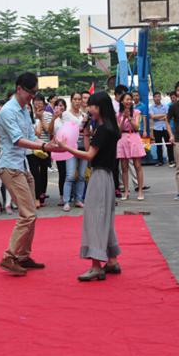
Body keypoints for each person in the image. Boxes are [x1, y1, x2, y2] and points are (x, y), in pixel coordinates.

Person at [0, 72, 61, 276]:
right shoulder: (8, 111)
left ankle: (23, 256)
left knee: (31, 213)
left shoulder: (25, 109)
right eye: (31, 92)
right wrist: (43, 146)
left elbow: (31, 135)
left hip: (22, 164)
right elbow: (17, 140)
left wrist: (49, 143)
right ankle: (9, 257)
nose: (33, 97)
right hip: (11, 166)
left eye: (35, 92)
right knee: (28, 214)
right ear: (19, 89)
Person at [57, 91, 122, 281]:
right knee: (105, 218)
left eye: (91, 106)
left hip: (99, 176)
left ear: (99, 107)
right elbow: (91, 150)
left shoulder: (103, 130)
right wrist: (85, 132)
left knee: (94, 219)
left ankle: (96, 266)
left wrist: (65, 147)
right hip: (106, 176)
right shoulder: (109, 127)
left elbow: (88, 155)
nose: (89, 109)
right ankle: (112, 260)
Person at [61, 92, 88, 211]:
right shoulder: (66, 114)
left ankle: (79, 199)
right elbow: (68, 129)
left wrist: (86, 124)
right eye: (75, 99)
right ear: (71, 100)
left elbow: (88, 131)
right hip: (71, 147)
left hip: (83, 146)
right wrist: (82, 124)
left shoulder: (84, 114)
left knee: (82, 176)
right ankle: (66, 201)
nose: (77, 101)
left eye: (79, 99)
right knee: (70, 175)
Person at [116, 92, 145, 200]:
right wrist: (123, 118)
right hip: (123, 138)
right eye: (126, 99)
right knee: (124, 167)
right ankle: (126, 191)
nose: (128, 101)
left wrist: (129, 117)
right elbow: (118, 130)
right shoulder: (117, 114)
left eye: (130, 99)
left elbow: (137, 127)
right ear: (122, 101)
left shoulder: (136, 112)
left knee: (138, 166)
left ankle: (140, 191)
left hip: (134, 137)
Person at [32, 94, 51, 207]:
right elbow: (36, 133)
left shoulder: (48, 115)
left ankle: (42, 193)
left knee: (44, 171)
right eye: (36, 101)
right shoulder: (29, 114)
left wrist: (41, 118)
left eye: (40, 101)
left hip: (45, 146)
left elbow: (48, 130)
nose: (38, 103)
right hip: (33, 146)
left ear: (44, 103)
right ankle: (37, 195)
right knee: (35, 172)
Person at [48, 98, 68, 205]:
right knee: (62, 173)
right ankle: (62, 196)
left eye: (62, 105)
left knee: (70, 173)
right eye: (58, 105)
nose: (60, 107)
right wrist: (53, 118)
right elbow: (50, 131)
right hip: (58, 149)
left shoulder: (68, 117)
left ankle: (70, 195)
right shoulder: (55, 119)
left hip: (69, 148)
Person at [150, 91, 173, 166]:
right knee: (158, 146)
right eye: (155, 97)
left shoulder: (165, 106)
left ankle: (171, 160)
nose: (157, 98)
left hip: (166, 127)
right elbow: (152, 116)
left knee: (169, 145)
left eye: (158, 96)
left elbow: (167, 116)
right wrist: (163, 115)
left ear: (160, 97)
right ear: (153, 98)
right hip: (156, 128)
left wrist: (157, 117)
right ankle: (160, 161)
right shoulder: (151, 107)